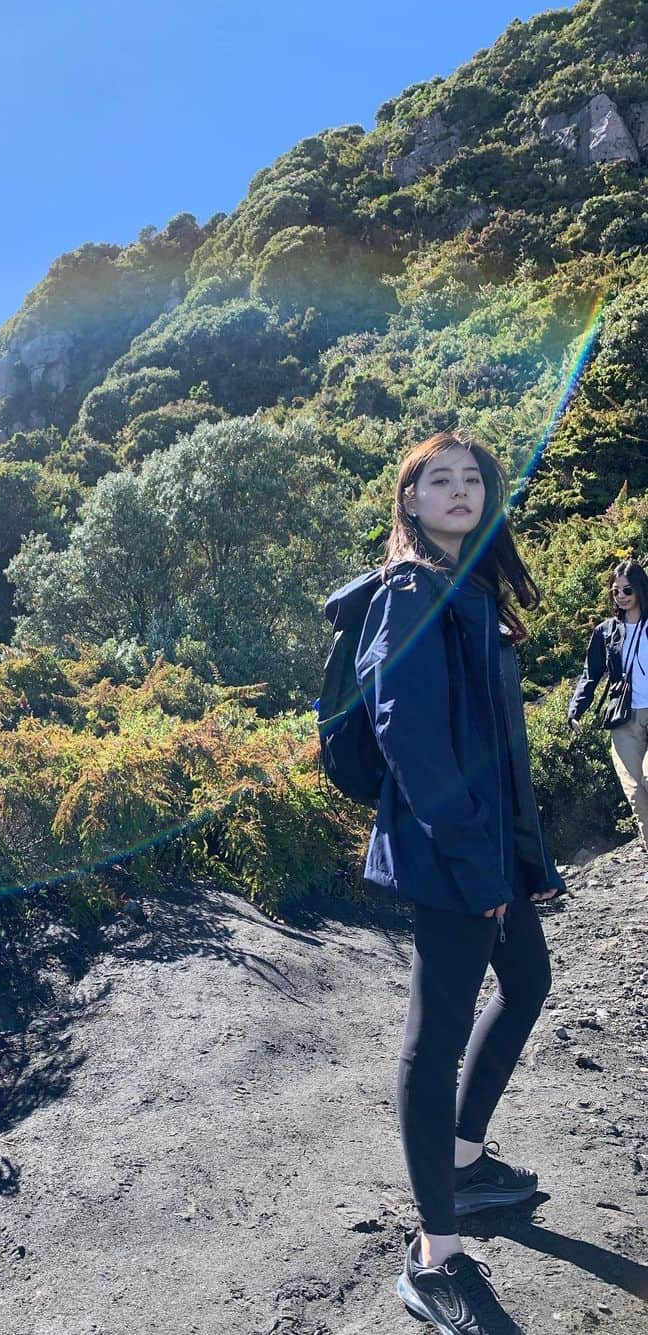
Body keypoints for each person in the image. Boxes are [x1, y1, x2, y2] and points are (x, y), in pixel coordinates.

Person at [346, 430, 566, 1335]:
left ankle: (465, 1163)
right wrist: (481, 862)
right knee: (433, 1037)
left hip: (486, 852)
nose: (460, 489)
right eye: (439, 478)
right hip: (449, 857)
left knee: (530, 982)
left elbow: (495, 749)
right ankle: (435, 1253)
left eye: (473, 478)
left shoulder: (466, 590)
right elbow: (409, 734)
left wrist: (524, 859)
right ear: (409, 500)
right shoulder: (408, 591)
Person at [568, 559, 648, 854]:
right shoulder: (606, 631)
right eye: (616, 591)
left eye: (627, 589)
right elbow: (591, 674)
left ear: (640, 588)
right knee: (636, 794)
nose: (622, 596)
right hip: (624, 718)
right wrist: (576, 710)